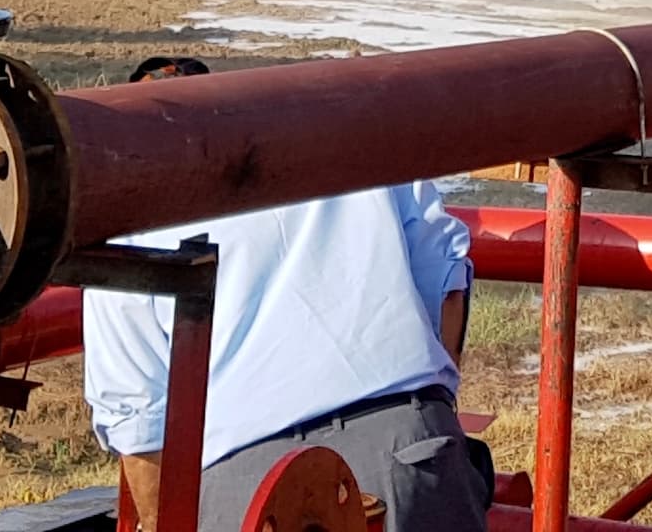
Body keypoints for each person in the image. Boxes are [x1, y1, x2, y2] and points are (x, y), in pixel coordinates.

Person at [84, 56, 490, 532]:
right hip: (406, 442)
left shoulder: (127, 216)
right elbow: (444, 272)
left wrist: (161, 521)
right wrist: (429, 407)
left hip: (246, 480)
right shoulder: (352, 136)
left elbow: (137, 412)